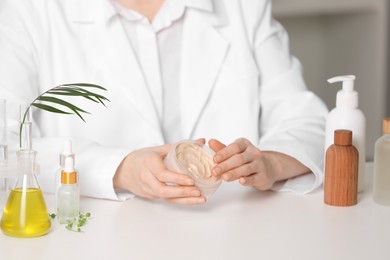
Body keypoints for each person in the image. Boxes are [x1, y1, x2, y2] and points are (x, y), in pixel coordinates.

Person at [0, 0, 328, 205]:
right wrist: (119, 169)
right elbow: (6, 142)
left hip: (231, 237)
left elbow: (310, 123)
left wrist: (271, 163)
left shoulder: (242, 6)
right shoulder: (29, 8)